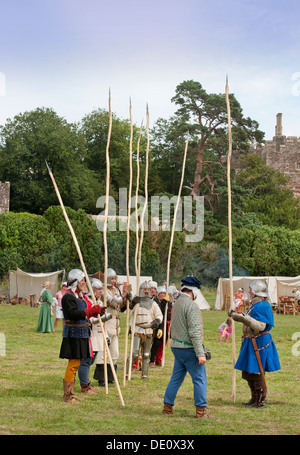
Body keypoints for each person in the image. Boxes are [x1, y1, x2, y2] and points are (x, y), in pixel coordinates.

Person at [228, 280, 281, 408]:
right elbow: (249, 320)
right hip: (250, 341)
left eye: (251, 290)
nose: (249, 292)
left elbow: (260, 326)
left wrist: (242, 318)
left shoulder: (263, 305)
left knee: (256, 371)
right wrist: (235, 316)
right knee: (248, 372)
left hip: (259, 341)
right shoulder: (255, 305)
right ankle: (254, 397)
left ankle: (260, 401)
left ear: (257, 292)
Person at [163, 276, 210, 418]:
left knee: (176, 378)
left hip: (177, 347)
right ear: (193, 290)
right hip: (188, 349)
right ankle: (201, 411)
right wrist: (200, 353)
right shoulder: (191, 306)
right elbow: (194, 332)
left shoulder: (176, 303)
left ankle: (167, 407)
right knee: (200, 378)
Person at [59, 269, 105, 403]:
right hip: (73, 334)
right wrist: (90, 311)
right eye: (82, 280)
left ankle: (73, 391)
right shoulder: (68, 296)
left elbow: (86, 312)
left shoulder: (80, 296)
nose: (84, 283)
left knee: (77, 363)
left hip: (82, 333)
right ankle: (68, 395)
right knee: (73, 364)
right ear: (75, 281)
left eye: (84, 280)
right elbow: (73, 314)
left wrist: (97, 311)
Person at [94, 268, 131, 386]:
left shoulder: (116, 290)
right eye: (112, 279)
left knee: (115, 353)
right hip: (106, 323)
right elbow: (114, 303)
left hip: (115, 324)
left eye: (115, 278)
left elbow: (121, 307)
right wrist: (124, 294)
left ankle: (110, 377)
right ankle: (101, 378)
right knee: (103, 352)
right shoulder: (104, 291)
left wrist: (127, 299)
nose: (114, 281)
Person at [77, 278, 112, 394]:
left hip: (99, 336)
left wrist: (106, 337)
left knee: (90, 361)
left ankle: (86, 382)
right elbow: (89, 318)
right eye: (98, 289)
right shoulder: (87, 301)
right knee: (86, 361)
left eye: (101, 289)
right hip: (90, 334)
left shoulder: (100, 302)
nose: (100, 291)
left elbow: (103, 324)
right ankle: (84, 385)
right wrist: (102, 317)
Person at [127, 281, 163, 380]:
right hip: (137, 330)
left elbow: (159, 315)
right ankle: (127, 372)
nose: (146, 291)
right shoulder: (136, 303)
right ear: (141, 290)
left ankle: (144, 374)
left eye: (148, 289)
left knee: (146, 354)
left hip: (148, 331)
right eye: (144, 289)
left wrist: (157, 321)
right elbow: (128, 313)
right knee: (134, 353)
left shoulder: (153, 303)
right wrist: (132, 303)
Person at [150, 285, 172, 367]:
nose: (162, 295)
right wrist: (163, 302)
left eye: (163, 293)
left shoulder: (168, 303)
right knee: (156, 344)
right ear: (158, 294)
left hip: (166, 326)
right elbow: (159, 312)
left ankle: (158, 360)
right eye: (161, 294)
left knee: (163, 344)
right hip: (158, 325)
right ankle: (151, 360)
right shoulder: (156, 302)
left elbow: (169, 314)